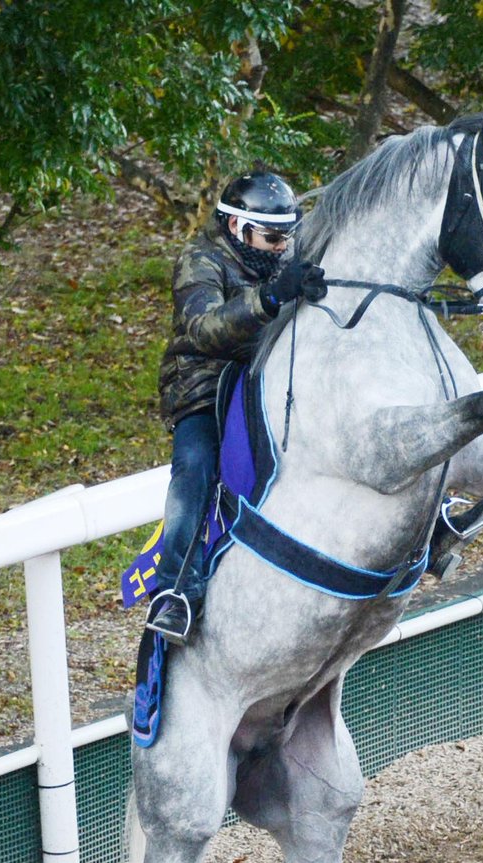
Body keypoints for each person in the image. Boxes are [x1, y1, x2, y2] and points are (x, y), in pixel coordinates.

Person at [146, 171, 327, 644]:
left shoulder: (281, 255)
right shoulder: (198, 260)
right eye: (272, 238)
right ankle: (174, 594)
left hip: (273, 376)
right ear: (237, 228)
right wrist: (269, 298)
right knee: (195, 466)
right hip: (206, 384)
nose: (281, 247)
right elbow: (204, 330)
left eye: (287, 238)